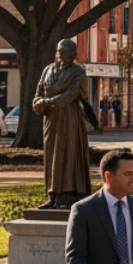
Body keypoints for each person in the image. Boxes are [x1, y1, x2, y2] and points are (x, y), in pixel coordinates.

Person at [33, 37, 96, 210]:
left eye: (64, 51)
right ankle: (52, 195)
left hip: (69, 119)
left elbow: (71, 94)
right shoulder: (48, 69)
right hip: (51, 119)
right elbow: (39, 92)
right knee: (52, 155)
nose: (60, 54)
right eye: (58, 50)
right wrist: (37, 102)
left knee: (67, 155)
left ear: (73, 54)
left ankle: (68, 195)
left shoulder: (78, 72)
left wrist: (48, 102)